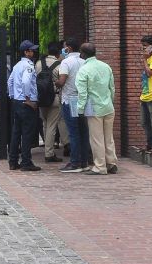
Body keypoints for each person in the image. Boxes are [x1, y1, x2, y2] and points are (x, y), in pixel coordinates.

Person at [74, 42, 117, 176]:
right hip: (108, 106)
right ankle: (111, 163)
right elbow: (112, 88)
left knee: (96, 139)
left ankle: (100, 166)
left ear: (83, 54)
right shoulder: (106, 66)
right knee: (108, 137)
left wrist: (80, 110)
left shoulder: (83, 70)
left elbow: (82, 93)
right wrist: (110, 101)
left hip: (94, 108)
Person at [54, 38, 89, 172]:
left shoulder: (66, 62)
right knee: (83, 131)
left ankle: (75, 163)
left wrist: (56, 82)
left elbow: (62, 81)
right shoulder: (84, 62)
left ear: (68, 48)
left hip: (70, 100)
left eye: (65, 47)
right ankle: (84, 161)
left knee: (73, 132)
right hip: (83, 100)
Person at [6, 40, 41, 172]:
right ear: (26, 52)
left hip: (17, 102)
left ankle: (13, 161)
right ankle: (26, 162)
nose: (34, 52)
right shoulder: (29, 65)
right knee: (27, 133)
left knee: (16, 132)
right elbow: (26, 82)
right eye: (31, 50)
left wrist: (13, 96)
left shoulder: (17, 65)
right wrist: (28, 99)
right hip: (26, 104)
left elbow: (10, 81)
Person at [37, 41, 68, 163]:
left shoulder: (38, 63)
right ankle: (49, 153)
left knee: (45, 124)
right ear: (58, 52)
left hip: (41, 98)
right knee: (51, 126)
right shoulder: (59, 65)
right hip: (54, 98)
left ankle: (47, 149)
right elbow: (62, 82)